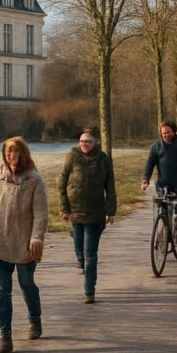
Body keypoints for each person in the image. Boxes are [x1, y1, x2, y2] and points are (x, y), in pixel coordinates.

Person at [0, 137, 48, 353]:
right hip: (1, 243)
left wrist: (37, 237)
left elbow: (41, 214)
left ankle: (35, 319)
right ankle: (5, 337)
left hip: (26, 244)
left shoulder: (34, 181)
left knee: (27, 284)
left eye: (15, 151)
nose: (11, 155)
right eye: (8, 152)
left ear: (23, 153)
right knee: (2, 292)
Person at [58, 129, 116, 304]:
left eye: (88, 141)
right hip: (75, 212)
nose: (84, 144)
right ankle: (80, 259)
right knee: (79, 248)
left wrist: (111, 210)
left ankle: (89, 290)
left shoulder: (104, 159)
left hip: (95, 213)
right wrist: (64, 208)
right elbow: (61, 183)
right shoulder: (72, 156)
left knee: (90, 253)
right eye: (82, 141)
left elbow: (110, 185)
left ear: (96, 142)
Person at [140, 120, 177, 197]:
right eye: (164, 133)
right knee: (162, 207)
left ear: (174, 131)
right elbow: (150, 164)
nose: (166, 135)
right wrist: (145, 180)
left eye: (168, 132)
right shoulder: (156, 147)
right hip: (161, 185)